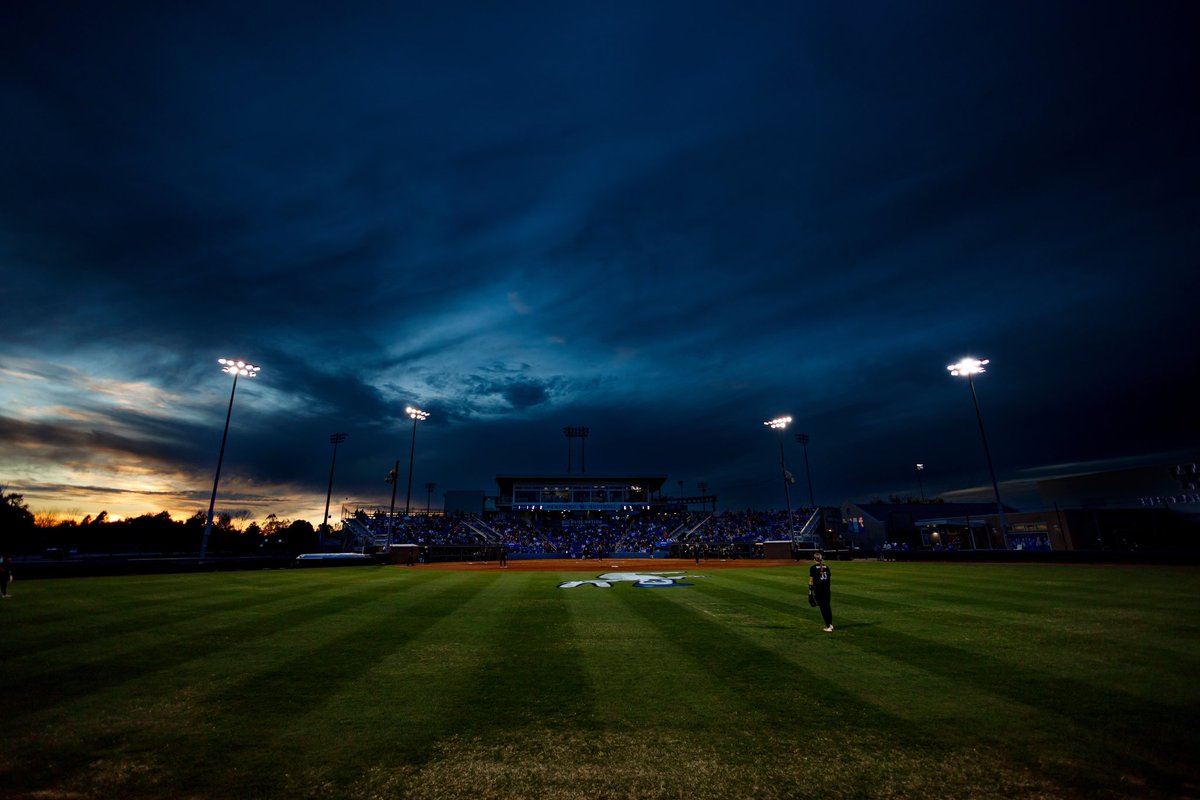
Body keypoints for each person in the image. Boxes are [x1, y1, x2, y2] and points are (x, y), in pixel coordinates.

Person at [808, 551, 832, 632]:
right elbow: (829, 580)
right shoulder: (827, 567)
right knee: (828, 607)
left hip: (819, 591)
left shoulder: (813, 568)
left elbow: (811, 581)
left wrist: (810, 592)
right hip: (827, 590)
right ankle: (830, 624)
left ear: (815, 559)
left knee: (823, 608)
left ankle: (828, 626)